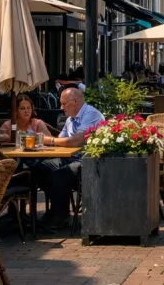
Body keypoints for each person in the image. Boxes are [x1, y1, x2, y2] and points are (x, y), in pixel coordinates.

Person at [34, 88, 103, 227]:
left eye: (64, 104)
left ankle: (61, 215)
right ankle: (55, 209)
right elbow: (62, 141)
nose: (61, 108)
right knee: (39, 169)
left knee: (60, 174)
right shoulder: (70, 119)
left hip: (88, 161)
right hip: (70, 158)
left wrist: (46, 140)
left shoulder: (91, 114)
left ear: (75, 102)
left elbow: (76, 141)